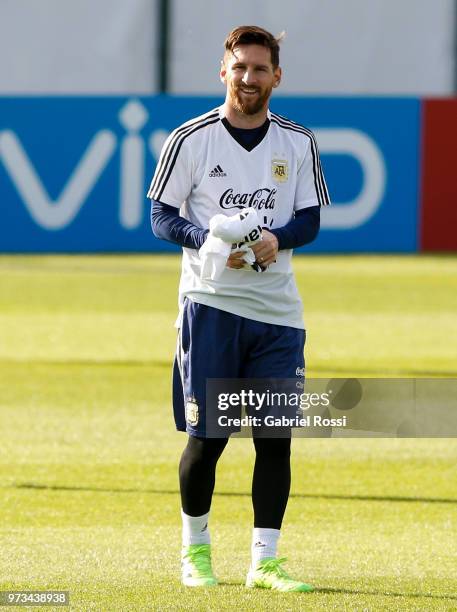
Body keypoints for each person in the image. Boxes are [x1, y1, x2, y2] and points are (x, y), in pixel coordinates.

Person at [148, 25, 330, 592]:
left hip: (278, 313)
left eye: (259, 69)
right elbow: (160, 216)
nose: (248, 79)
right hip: (211, 307)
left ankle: (265, 562)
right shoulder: (190, 138)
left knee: (275, 438)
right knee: (209, 439)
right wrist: (207, 242)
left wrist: (279, 238)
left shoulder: (297, 142)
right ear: (222, 72)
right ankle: (195, 552)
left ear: (277, 76)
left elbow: (310, 219)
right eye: (239, 68)